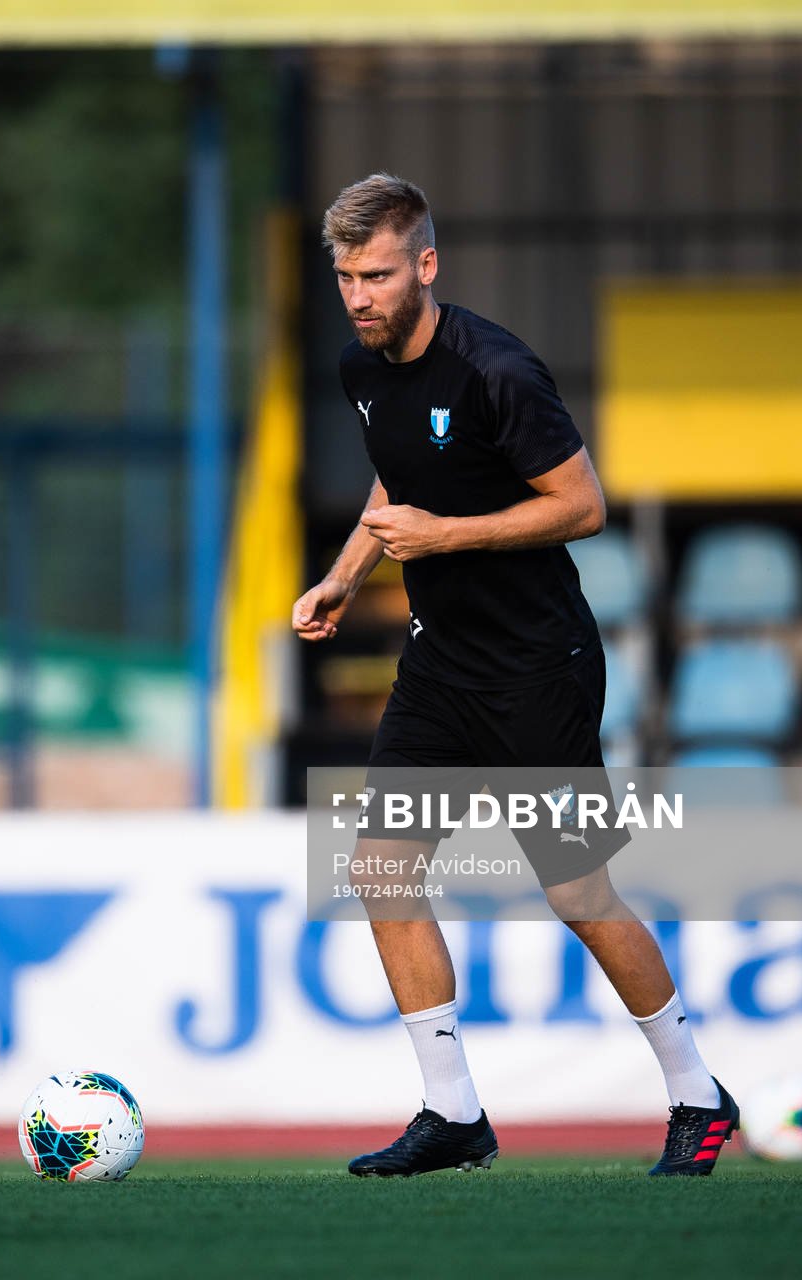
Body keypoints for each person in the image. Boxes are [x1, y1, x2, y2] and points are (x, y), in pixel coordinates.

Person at [292, 173, 735, 1178]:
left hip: (539, 665)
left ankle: (698, 1093)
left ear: (427, 265)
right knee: (379, 866)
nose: (360, 296)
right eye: (346, 277)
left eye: (378, 274)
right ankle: (453, 1112)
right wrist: (342, 575)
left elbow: (582, 504)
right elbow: (394, 478)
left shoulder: (497, 368)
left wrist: (445, 535)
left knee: (579, 892)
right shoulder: (361, 371)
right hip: (441, 664)